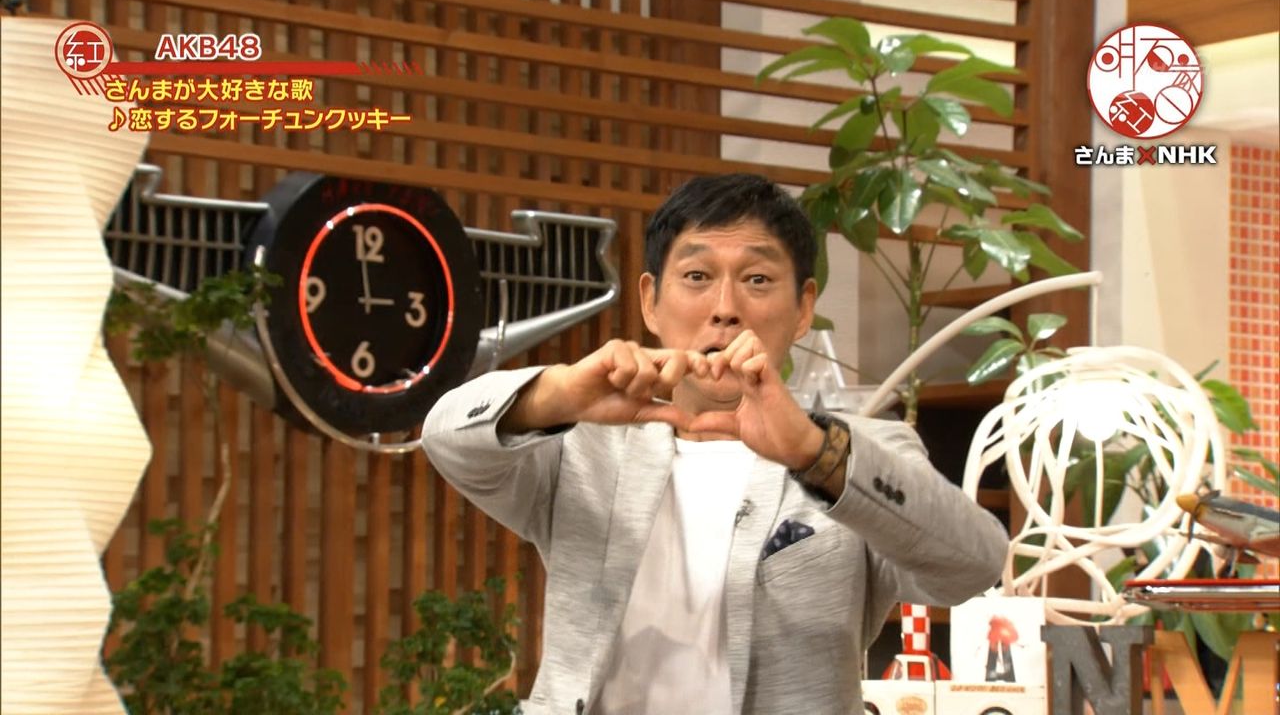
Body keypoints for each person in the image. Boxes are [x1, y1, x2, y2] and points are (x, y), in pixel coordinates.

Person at [421, 173, 1008, 715]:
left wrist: (812, 451)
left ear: (803, 308)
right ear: (650, 301)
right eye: (697, 277)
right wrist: (559, 393)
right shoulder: (584, 450)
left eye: (757, 280)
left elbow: (975, 562)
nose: (726, 309)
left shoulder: (854, 453)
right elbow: (445, 438)